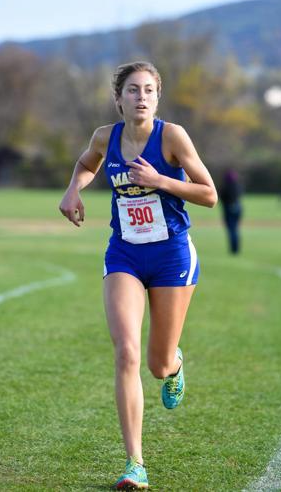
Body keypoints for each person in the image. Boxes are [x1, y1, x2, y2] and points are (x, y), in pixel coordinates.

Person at [59, 61, 217, 490]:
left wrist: (162, 180)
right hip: (124, 254)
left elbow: (209, 194)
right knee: (126, 352)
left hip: (171, 257)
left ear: (157, 97)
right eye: (132, 90)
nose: (141, 97)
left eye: (148, 90)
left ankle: (175, 363)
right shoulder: (104, 137)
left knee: (156, 363)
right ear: (119, 99)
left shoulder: (172, 136)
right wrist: (74, 188)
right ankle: (135, 464)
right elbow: (87, 163)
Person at [219, 169, 242, 254]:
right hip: (238, 208)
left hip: (228, 209)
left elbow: (221, 198)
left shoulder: (225, 187)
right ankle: (236, 248)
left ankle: (233, 249)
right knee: (235, 229)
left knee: (231, 229)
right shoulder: (238, 186)